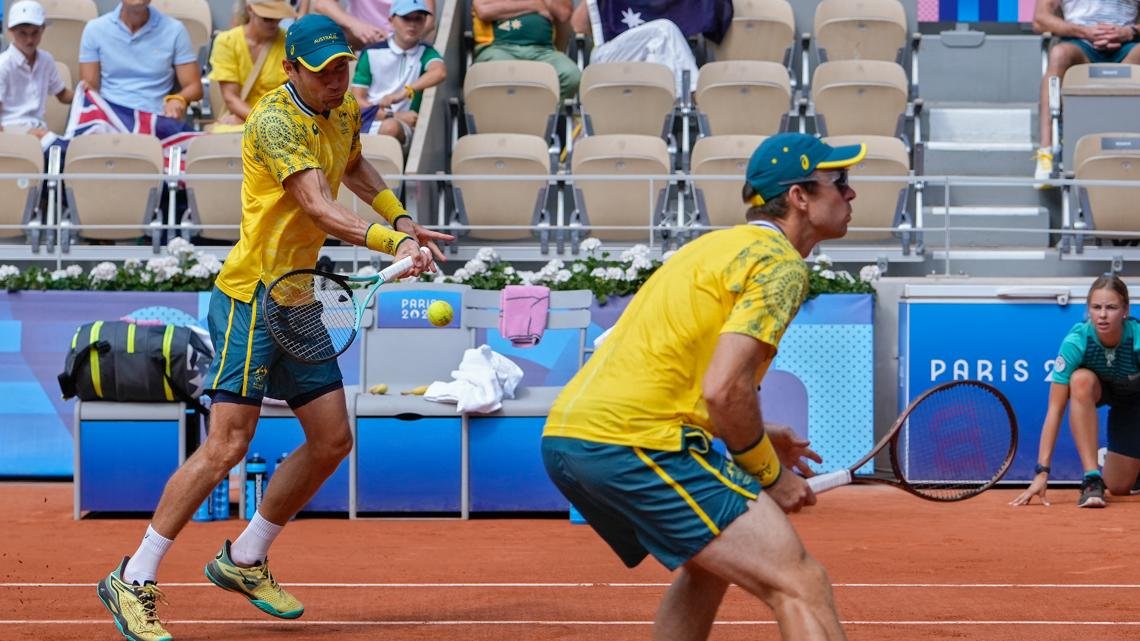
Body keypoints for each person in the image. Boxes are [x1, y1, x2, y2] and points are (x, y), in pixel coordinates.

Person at [95, 15, 454, 641]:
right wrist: (390, 241)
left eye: (343, 66)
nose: (338, 80)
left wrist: (404, 219)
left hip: (300, 295)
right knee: (228, 446)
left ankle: (244, 558)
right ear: (291, 70)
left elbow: (356, 167)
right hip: (251, 299)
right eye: (323, 72)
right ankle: (133, 574)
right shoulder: (274, 120)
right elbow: (317, 204)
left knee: (332, 440)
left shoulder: (341, 107)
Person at [542, 131, 864, 641]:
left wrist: (761, 430)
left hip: (570, 434)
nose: (850, 194)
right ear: (800, 197)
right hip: (634, 440)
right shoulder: (779, 266)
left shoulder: (716, 246)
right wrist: (768, 471)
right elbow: (725, 386)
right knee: (800, 583)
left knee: (708, 568)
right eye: (838, 182)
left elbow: (692, 377)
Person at [1010, 274, 1140, 509]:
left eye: (1111, 307)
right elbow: (1055, 409)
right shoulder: (1076, 342)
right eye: (1096, 307)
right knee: (1079, 380)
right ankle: (1092, 478)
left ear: (1125, 310)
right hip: (1100, 389)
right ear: (1088, 309)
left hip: (1135, 400)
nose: (1102, 314)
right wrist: (1042, 471)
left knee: (1120, 486)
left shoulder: (1137, 338)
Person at [1033, 0, 1140, 186]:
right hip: (1079, 46)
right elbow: (1040, 20)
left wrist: (1129, 32)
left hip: (1127, 48)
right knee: (1058, 54)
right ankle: (1047, 152)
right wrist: (1084, 32)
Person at [78, 0, 203, 121]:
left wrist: (178, 99)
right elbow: (90, 89)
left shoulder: (175, 29)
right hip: (109, 117)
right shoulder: (94, 29)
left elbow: (194, 87)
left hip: (155, 117)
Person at [350, 0, 445, 149]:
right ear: (391, 20)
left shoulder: (427, 52)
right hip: (369, 118)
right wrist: (391, 115)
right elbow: (357, 101)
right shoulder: (371, 52)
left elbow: (439, 72)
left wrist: (404, 92)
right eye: (406, 17)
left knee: (390, 128)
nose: (412, 24)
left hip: (401, 127)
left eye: (418, 18)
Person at [207, 0, 297, 133]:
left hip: (279, 118)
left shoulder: (288, 42)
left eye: (278, 18)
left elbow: (294, 95)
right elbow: (231, 98)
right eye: (267, 19)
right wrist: (257, 119)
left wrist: (264, 120)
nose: (273, 23)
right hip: (244, 118)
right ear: (250, 10)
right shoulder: (227, 42)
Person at [473, 0, 579, 101]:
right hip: (498, 48)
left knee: (571, 75)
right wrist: (535, 5)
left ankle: (544, 117)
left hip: (543, 51)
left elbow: (564, 13)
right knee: (507, 72)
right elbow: (484, 10)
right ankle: (509, 117)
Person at [0, 0, 73, 138]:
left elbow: (62, 95)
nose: (29, 40)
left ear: (42, 29)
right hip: (8, 130)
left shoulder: (46, 60)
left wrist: (86, 96)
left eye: (34, 33)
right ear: (11, 32)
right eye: (23, 33)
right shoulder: (3, 65)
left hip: (38, 129)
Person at [311, 0, 436, 49]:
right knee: (321, 31)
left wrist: (396, 40)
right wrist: (356, 25)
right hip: (359, 38)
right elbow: (321, 3)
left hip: (405, 39)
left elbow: (429, 20)